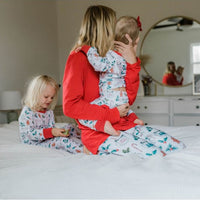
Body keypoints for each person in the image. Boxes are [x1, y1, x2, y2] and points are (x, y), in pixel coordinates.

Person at [63, 5, 185, 158]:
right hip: (100, 132)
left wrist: (132, 62)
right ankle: (92, 148)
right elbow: (70, 107)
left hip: (125, 124)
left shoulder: (112, 57)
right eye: (113, 25)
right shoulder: (78, 57)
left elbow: (128, 99)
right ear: (104, 28)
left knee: (177, 146)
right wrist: (113, 114)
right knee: (155, 155)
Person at [78, 16, 144, 136]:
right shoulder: (128, 59)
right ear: (136, 40)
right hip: (122, 97)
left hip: (110, 96)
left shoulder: (110, 56)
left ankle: (103, 125)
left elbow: (98, 65)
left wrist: (88, 49)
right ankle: (133, 118)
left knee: (84, 113)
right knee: (124, 108)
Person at [19, 75, 83, 154]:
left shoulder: (49, 112)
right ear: (35, 94)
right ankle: (85, 151)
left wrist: (58, 133)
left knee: (71, 127)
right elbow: (29, 133)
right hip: (35, 144)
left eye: (52, 97)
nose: (49, 100)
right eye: (46, 97)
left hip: (47, 139)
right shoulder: (27, 112)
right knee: (62, 141)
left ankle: (90, 140)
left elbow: (51, 128)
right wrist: (52, 132)